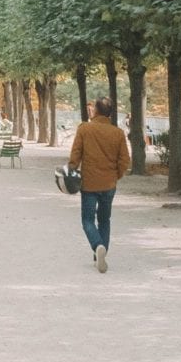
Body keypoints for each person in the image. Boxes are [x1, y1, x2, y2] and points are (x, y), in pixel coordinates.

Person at [67, 97, 131, 272]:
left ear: (95, 110)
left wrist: (71, 170)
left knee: (87, 220)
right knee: (105, 220)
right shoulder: (117, 133)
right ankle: (100, 254)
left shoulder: (85, 129)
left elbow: (76, 154)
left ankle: (97, 246)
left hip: (89, 183)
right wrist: (116, 175)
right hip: (109, 183)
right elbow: (125, 160)